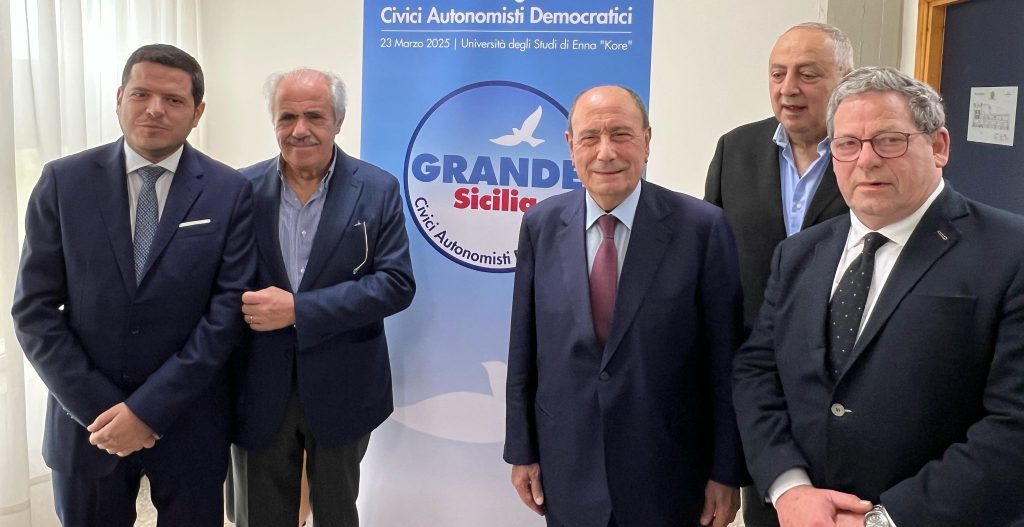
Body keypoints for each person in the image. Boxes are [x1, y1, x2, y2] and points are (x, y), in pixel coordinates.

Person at [733, 66, 1024, 527]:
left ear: (939, 146)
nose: (866, 160)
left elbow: (1014, 426)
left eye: (889, 141)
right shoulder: (798, 254)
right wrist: (789, 488)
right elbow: (757, 372)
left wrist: (886, 520)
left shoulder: (1009, 253)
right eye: (847, 144)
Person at [11, 44, 256, 526]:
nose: (155, 109)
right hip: (88, 425)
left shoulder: (229, 191)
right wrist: (104, 411)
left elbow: (226, 315)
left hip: (190, 423)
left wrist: (147, 411)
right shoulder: (63, 182)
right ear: (120, 98)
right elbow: (34, 311)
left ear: (197, 112)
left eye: (174, 99)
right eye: (142, 94)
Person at [504, 85, 746, 527]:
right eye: (590, 137)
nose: (606, 152)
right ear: (570, 146)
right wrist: (522, 451)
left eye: (621, 134)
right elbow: (524, 346)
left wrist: (726, 472)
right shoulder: (540, 225)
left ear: (647, 141)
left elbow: (726, 361)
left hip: (671, 474)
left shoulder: (702, 229)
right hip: (567, 468)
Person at [230, 68, 415, 527]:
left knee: (336, 514)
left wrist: (299, 310)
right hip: (257, 388)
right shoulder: (238, 190)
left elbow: (396, 284)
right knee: (259, 516)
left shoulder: (378, 189)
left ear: (338, 121)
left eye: (314, 116)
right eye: (287, 117)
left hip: (345, 386)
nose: (300, 130)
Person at [704, 21, 853, 527]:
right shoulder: (735, 149)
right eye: (777, 73)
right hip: (757, 388)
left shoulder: (865, 155)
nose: (788, 88)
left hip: (846, 388)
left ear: (844, 78)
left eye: (807, 74)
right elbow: (713, 275)